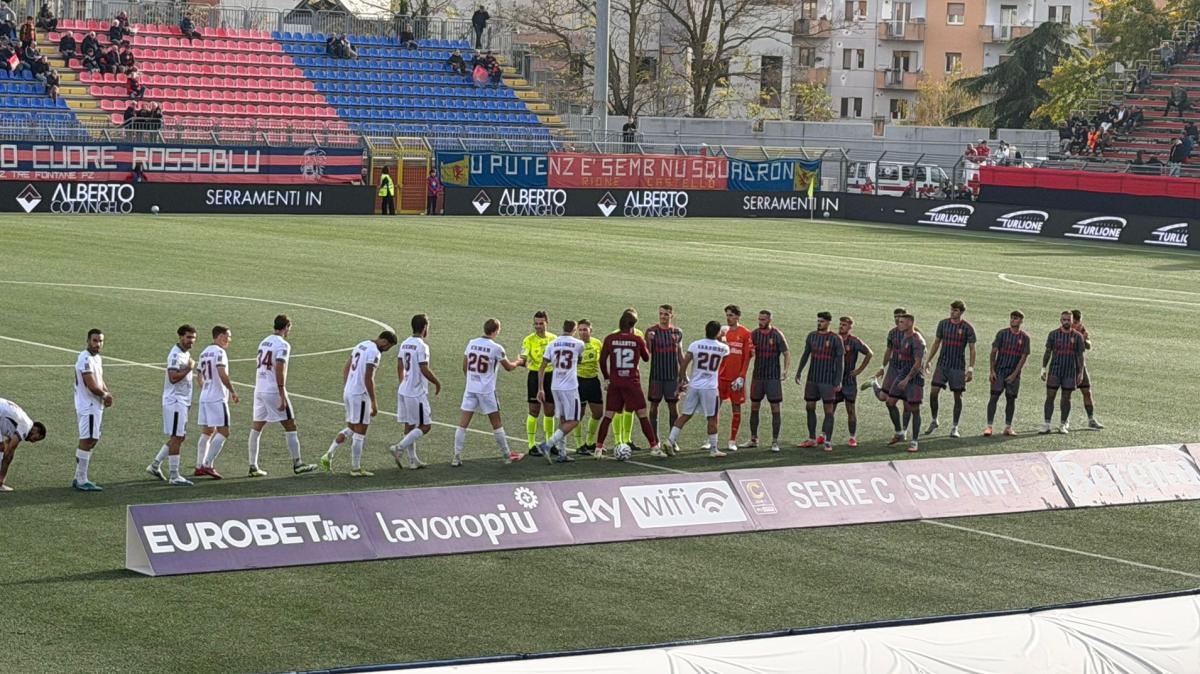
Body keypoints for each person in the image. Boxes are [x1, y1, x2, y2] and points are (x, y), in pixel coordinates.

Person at [249, 314, 318, 477]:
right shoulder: (283, 345)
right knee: (290, 425)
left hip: (259, 387)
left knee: (257, 426)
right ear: (286, 327)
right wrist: (282, 392)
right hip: (273, 389)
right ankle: (298, 463)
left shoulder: (264, 341)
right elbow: (280, 367)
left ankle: (252, 465)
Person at [321, 331, 398, 476]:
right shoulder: (375, 352)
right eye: (388, 346)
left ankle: (328, 455)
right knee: (360, 431)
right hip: (360, 395)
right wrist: (374, 402)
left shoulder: (361, 344)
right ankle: (355, 469)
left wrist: (347, 386)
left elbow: (346, 367)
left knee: (351, 428)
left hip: (349, 392)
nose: (387, 349)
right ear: (383, 341)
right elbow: (368, 378)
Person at [454, 318, 525, 465]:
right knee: (496, 423)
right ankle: (507, 455)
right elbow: (509, 367)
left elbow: (464, 366)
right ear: (496, 330)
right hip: (486, 391)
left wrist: (472, 380)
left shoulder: (472, 343)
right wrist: (520, 362)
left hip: (471, 388)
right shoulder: (496, 348)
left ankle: (456, 456)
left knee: (463, 424)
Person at [595, 311, 661, 457]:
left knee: (608, 415)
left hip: (615, 382)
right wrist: (648, 341)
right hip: (632, 383)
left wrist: (607, 377)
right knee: (642, 415)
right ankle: (654, 447)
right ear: (633, 325)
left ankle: (598, 448)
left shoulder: (610, 339)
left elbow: (602, 360)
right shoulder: (637, 339)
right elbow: (646, 358)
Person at [664, 321, 730, 457]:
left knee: (686, 414)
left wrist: (683, 379)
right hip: (710, 388)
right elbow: (725, 362)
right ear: (717, 332)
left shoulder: (695, 345)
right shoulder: (723, 348)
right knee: (712, 417)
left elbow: (684, 363)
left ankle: (670, 440)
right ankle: (713, 449)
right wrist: (723, 338)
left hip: (694, 385)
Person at [146, 325, 198, 486]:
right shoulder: (175, 355)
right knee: (176, 437)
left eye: (193, 338)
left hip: (182, 401)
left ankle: (155, 465)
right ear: (180, 337)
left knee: (180, 436)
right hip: (175, 401)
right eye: (189, 337)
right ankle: (174, 475)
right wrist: (189, 369)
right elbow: (173, 377)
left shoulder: (185, 353)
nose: (191, 341)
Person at [390, 314, 442, 469]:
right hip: (416, 392)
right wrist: (437, 382)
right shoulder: (421, 346)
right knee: (425, 426)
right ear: (425, 327)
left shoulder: (405, 343)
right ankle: (399, 447)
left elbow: (400, 365)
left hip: (404, 390)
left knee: (410, 425)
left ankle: (413, 460)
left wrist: (403, 381)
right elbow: (423, 368)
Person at [534, 320, 586, 464]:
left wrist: (540, 388)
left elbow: (542, 367)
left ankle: (562, 453)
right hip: (570, 387)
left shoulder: (552, 343)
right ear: (574, 330)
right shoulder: (579, 344)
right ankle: (548, 444)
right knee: (575, 420)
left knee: (563, 420)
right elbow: (579, 360)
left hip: (555, 385)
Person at [923, 300, 976, 438]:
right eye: (951, 310)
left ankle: (954, 427)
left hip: (957, 367)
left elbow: (972, 349)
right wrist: (928, 360)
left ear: (961, 312)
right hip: (942, 364)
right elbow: (936, 342)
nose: (952, 312)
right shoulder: (943, 324)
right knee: (933, 392)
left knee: (958, 396)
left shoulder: (967, 328)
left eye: (955, 310)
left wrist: (970, 369)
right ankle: (934, 420)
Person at [794, 312, 844, 452]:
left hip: (827, 380)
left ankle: (827, 441)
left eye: (822, 321)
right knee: (810, 407)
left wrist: (838, 381)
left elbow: (840, 361)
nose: (819, 323)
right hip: (812, 379)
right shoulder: (812, 336)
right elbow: (805, 354)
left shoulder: (835, 338)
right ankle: (811, 438)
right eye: (818, 321)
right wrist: (799, 371)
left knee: (828, 411)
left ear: (828, 322)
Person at [194, 325, 239, 478]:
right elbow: (222, 373)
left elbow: (198, 376)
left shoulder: (204, 352)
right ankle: (208, 464)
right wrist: (232, 391)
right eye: (228, 336)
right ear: (220, 336)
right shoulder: (220, 352)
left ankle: (199, 465)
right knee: (224, 432)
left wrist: (206, 387)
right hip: (216, 398)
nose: (229, 340)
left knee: (207, 431)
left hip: (205, 397)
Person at [73, 328, 111, 491]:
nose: (98, 344)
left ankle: (79, 476)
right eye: (95, 340)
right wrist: (104, 394)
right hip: (87, 405)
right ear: (88, 341)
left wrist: (107, 392)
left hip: (95, 405)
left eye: (100, 341)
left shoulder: (97, 359)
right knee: (87, 439)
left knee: (93, 439)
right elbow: (90, 384)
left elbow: (99, 380)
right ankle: (81, 479)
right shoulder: (85, 359)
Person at [748, 309, 789, 452]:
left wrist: (785, 370)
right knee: (754, 406)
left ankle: (775, 441)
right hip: (758, 376)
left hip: (772, 378)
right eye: (759, 319)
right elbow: (748, 351)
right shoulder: (754, 334)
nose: (760, 322)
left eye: (763, 319)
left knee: (775, 408)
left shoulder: (777, 335)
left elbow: (786, 352)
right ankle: (753, 439)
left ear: (770, 320)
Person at [984, 311, 1030, 437]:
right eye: (1011, 318)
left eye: (1015, 318)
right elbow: (993, 352)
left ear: (1021, 321)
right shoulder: (1002, 334)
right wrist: (992, 370)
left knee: (1011, 399)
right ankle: (989, 426)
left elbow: (1023, 358)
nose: (1012, 320)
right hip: (999, 371)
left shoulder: (1025, 338)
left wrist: (1015, 374)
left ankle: (1008, 427)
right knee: (993, 397)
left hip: (1013, 374)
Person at [1040, 311, 1086, 435]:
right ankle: (1047, 423)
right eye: (1064, 319)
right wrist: (1043, 368)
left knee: (1067, 398)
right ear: (1060, 320)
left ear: (1072, 321)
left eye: (1068, 320)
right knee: (1050, 396)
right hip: (1055, 369)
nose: (1066, 322)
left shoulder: (1077, 336)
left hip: (1070, 371)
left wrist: (1080, 372)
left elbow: (1080, 356)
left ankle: (1063, 423)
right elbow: (1048, 352)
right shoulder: (1053, 334)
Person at [715, 304, 753, 451]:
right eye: (727, 315)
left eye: (731, 315)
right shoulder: (722, 332)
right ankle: (711, 438)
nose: (728, 318)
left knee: (736, 407)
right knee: (715, 407)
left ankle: (732, 440)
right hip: (721, 376)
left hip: (736, 378)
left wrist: (741, 377)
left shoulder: (745, 333)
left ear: (737, 316)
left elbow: (747, 357)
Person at [871, 307, 912, 443]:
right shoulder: (892, 333)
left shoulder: (914, 334)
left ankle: (903, 431)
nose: (897, 319)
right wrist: (883, 367)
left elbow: (921, 352)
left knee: (907, 404)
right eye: (895, 316)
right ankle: (873, 383)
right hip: (893, 369)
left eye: (900, 316)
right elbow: (889, 350)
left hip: (907, 371)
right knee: (883, 397)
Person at [518, 310, 556, 456]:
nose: (538, 326)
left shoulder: (554, 338)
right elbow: (524, 356)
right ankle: (532, 444)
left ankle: (549, 442)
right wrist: (519, 362)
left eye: (541, 323)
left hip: (551, 376)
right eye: (536, 324)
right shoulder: (528, 339)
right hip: (534, 376)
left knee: (550, 411)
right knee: (534, 410)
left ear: (547, 323)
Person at [645, 304, 683, 445]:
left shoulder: (677, 332)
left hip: (672, 377)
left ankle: (672, 440)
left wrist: (684, 374)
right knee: (654, 407)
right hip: (656, 376)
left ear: (672, 316)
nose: (663, 317)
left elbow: (680, 354)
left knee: (673, 407)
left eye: (666, 314)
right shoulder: (651, 331)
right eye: (661, 313)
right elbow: (647, 354)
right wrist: (648, 340)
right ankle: (655, 440)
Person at [888, 314, 925, 452]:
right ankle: (899, 432)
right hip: (903, 374)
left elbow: (917, 364)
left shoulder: (917, 341)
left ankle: (914, 441)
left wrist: (906, 379)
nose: (899, 324)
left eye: (902, 322)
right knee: (890, 402)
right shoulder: (904, 337)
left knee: (914, 410)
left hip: (914, 379)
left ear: (910, 323)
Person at [834, 316, 872, 448]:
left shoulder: (855, 341)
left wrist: (859, 370)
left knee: (850, 409)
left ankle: (852, 437)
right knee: (830, 409)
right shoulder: (833, 338)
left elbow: (869, 353)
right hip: (835, 379)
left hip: (849, 380)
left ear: (850, 327)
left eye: (844, 325)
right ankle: (825, 436)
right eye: (840, 324)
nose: (841, 326)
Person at [0, 398, 46, 492]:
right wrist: (2, 477)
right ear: (36, 429)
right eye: (36, 438)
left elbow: (7, 445)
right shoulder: (26, 425)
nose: (33, 442)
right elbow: (10, 451)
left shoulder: (21, 423)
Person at [573, 319, 604, 456]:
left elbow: (602, 362)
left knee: (598, 413)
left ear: (591, 330)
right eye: (580, 330)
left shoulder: (597, 343)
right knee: (579, 414)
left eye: (585, 329)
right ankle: (579, 445)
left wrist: (607, 377)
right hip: (579, 381)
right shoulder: (575, 345)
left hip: (593, 381)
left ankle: (590, 442)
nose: (582, 332)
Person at [1070, 309, 1104, 430]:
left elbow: (1089, 343)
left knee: (1086, 391)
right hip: (1066, 365)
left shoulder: (1081, 330)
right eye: (1075, 321)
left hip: (1080, 365)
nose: (1076, 324)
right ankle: (1063, 421)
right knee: (1065, 393)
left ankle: (1091, 419)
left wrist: (1085, 341)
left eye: (1077, 321)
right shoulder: (1064, 330)